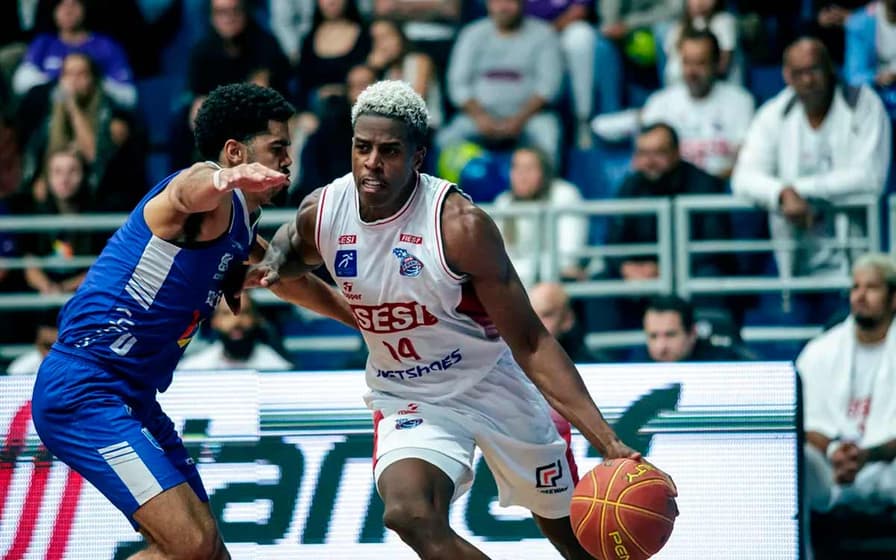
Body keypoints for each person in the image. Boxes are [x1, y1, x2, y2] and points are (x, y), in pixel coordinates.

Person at [254, 79, 657, 560]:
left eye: (389, 151)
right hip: (409, 395)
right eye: (362, 148)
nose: (372, 163)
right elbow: (289, 246)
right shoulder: (323, 212)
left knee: (573, 536)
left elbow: (531, 341)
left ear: (418, 156)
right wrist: (273, 263)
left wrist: (608, 441)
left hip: (492, 384)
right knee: (407, 513)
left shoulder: (460, 226)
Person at [29, 82, 355, 559]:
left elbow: (288, 281)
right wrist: (228, 178)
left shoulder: (241, 226)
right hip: (84, 389)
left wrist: (369, 324)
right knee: (193, 544)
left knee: (208, 554)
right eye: (278, 148)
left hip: (133, 396)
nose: (288, 159)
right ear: (235, 151)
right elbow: (188, 190)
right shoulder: (203, 194)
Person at [799, 252, 896, 558]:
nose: (860, 296)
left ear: (894, 299)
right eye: (855, 287)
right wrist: (833, 451)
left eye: (872, 288)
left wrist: (868, 455)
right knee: (797, 458)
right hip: (832, 466)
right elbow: (801, 420)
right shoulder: (820, 350)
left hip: (888, 464)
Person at [643, 28, 754, 179]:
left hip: (721, 192)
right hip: (672, 190)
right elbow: (645, 161)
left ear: (716, 63)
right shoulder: (659, 103)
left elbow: (748, 161)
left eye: (700, 63)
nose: (692, 72)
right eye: (687, 62)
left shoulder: (741, 102)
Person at [177, 295, 294, 371]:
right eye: (226, 314)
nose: (236, 321)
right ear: (214, 321)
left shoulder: (279, 368)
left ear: (257, 319)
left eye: (245, 313)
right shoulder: (191, 369)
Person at [641, 294, 749, 362]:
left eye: (670, 335)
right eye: (653, 336)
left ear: (692, 333)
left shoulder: (721, 365)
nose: (661, 347)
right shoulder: (637, 368)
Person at [6, 310, 58, 375]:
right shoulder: (21, 369)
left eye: (62, 347)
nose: (55, 354)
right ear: (37, 343)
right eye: (48, 346)